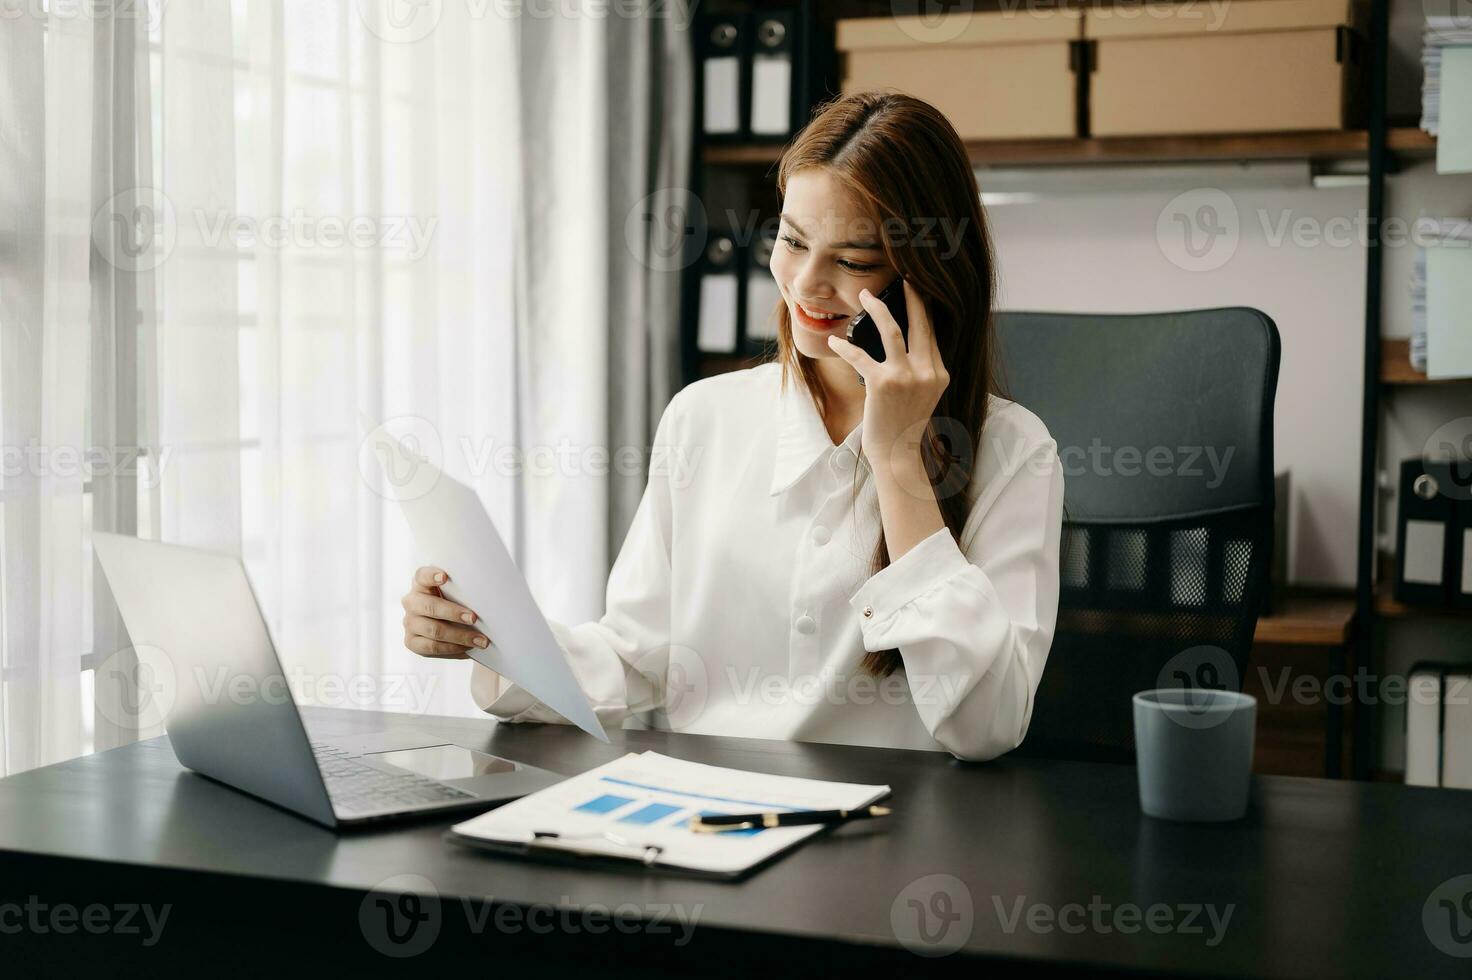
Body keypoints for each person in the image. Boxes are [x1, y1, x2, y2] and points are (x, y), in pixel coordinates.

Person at [401, 91, 1064, 761]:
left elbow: (987, 727)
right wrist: (491, 639)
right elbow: (636, 658)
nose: (805, 283)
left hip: (892, 834)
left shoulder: (1014, 452)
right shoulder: (703, 417)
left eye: (854, 261)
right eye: (793, 240)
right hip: (701, 819)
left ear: (923, 276)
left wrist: (897, 463)